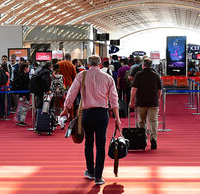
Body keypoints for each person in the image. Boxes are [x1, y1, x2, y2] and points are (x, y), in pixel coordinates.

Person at [60, 55, 121, 185]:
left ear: (88, 64)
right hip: (102, 113)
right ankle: (99, 176)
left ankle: (90, 171)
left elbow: (72, 92)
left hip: (87, 113)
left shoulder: (82, 76)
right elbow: (114, 99)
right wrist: (117, 118)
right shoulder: (108, 78)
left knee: (88, 142)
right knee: (101, 144)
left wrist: (66, 108)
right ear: (100, 64)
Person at [129, 58, 162, 150]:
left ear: (143, 65)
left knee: (141, 122)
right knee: (153, 121)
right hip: (153, 102)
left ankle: (142, 139)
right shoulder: (156, 75)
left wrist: (131, 101)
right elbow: (159, 90)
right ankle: (153, 139)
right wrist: (158, 99)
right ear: (151, 65)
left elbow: (134, 89)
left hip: (141, 102)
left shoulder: (138, 75)